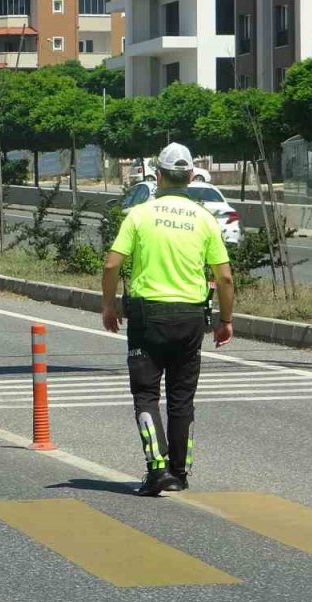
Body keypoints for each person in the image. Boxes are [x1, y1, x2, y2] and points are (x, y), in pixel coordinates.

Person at [101, 143, 235, 497]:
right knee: (181, 398)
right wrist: (225, 320)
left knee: (146, 394)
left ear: (157, 176)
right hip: (191, 317)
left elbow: (112, 264)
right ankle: (180, 471)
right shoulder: (204, 219)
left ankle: (157, 470)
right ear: (190, 177)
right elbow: (224, 277)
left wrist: (109, 306)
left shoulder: (139, 215)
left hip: (148, 317)